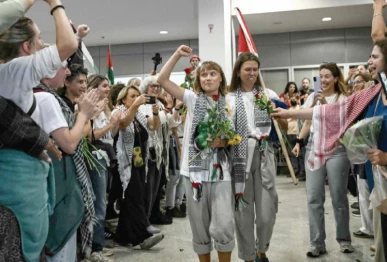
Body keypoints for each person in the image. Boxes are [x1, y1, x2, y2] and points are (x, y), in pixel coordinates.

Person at [0, 0, 78, 260]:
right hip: (17, 184)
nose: (44, 44)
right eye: (40, 38)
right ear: (25, 46)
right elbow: (67, 45)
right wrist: (55, 4)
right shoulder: (14, 69)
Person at [158, 45, 235, 262]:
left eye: (213, 74)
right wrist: (176, 55)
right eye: (204, 74)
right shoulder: (192, 98)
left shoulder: (230, 103)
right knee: (199, 228)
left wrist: (225, 141)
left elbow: (238, 136)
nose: (208, 78)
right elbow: (162, 80)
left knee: (223, 225)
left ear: (221, 78)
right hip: (193, 173)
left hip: (221, 173)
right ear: (198, 80)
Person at [33, 65, 98, 261]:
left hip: (52, 179)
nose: (67, 72)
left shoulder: (36, 96)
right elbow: (69, 144)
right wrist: (84, 115)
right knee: (61, 243)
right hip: (58, 179)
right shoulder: (46, 98)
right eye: (62, 67)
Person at [226, 52, 287, 262]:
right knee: (242, 210)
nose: (252, 73)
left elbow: (286, 126)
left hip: (264, 152)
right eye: (247, 69)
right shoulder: (229, 98)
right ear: (238, 72)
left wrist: (276, 112)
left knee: (266, 211)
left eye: (255, 69)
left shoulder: (267, 95)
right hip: (239, 153)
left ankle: (262, 250)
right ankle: (248, 256)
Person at [113, 85, 164, 250]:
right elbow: (122, 124)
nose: (135, 99)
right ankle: (143, 234)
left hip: (139, 160)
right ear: (123, 98)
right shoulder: (119, 111)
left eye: (137, 96)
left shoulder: (140, 115)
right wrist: (135, 106)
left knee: (133, 197)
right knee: (134, 196)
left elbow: (153, 126)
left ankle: (122, 235)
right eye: (132, 96)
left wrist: (156, 112)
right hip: (125, 162)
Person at [85, 75, 121, 261]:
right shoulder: (88, 109)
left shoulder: (105, 108)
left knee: (102, 201)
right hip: (96, 157)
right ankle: (95, 246)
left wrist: (113, 122)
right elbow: (92, 136)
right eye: (104, 86)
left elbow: (111, 136)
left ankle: (97, 242)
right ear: (94, 87)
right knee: (98, 203)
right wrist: (111, 124)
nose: (108, 89)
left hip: (106, 157)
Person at [139, 76, 181, 226]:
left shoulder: (159, 104)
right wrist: (168, 110)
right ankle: (145, 219)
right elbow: (152, 124)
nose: (156, 88)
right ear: (146, 88)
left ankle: (153, 214)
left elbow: (172, 122)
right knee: (148, 188)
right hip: (149, 151)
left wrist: (174, 108)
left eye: (158, 86)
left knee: (157, 185)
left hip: (161, 152)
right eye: (152, 86)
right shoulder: (143, 104)